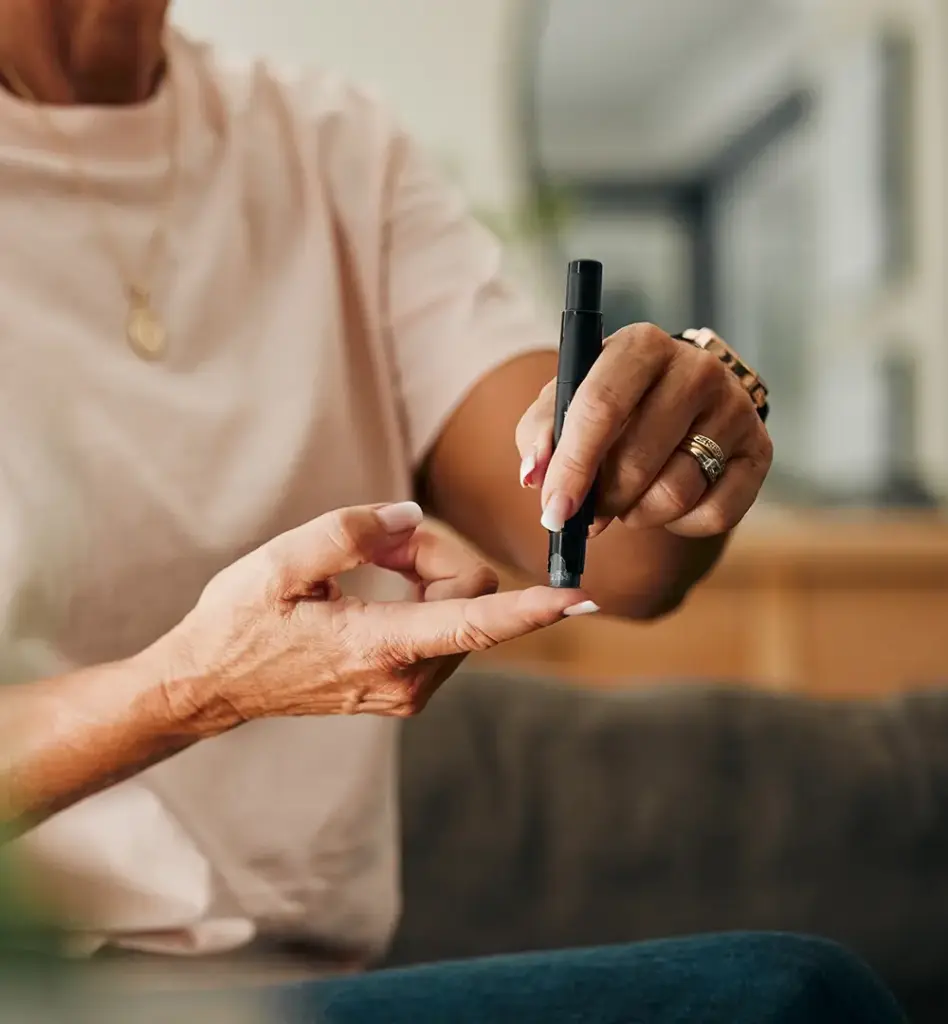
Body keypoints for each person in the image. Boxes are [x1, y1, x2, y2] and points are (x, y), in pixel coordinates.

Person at [0, 2, 904, 1022]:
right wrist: (192, 688)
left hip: (300, 984)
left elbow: (621, 561)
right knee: (785, 999)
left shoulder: (329, 147)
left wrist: (677, 417)